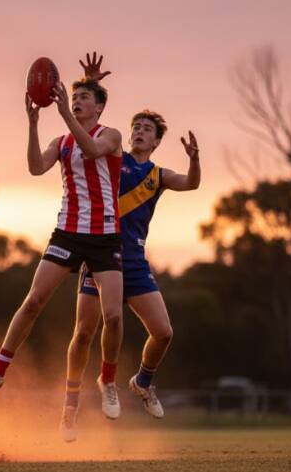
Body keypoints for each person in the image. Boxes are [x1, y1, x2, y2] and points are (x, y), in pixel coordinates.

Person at [59, 54, 201, 442]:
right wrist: (87, 82)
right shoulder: (114, 157)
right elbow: (88, 121)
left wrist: (196, 160)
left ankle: (142, 381)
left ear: (157, 141)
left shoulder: (157, 175)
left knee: (164, 332)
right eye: (136, 126)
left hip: (134, 261)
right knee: (84, 331)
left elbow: (191, 184)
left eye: (147, 129)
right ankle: (70, 405)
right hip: (100, 253)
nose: (139, 131)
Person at [0, 68, 125, 412]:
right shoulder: (61, 141)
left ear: (100, 107)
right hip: (68, 233)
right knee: (33, 300)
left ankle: (108, 380)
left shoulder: (111, 135)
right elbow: (35, 168)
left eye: (85, 97)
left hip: (105, 237)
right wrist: (32, 124)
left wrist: (66, 114)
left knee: (113, 317)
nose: (76, 101)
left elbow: (91, 150)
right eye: (74, 98)